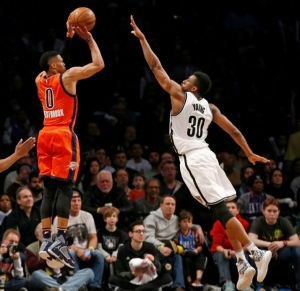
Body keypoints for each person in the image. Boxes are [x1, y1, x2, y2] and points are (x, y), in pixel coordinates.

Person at [130, 15, 272, 290]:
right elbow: (235, 132)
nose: (183, 80)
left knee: (219, 209)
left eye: (188, 79)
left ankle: (254, 252)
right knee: (216, 210)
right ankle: (243, 261)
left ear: (193, 88)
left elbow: (156, 67)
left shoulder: (179, 97)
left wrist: (144, 39)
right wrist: (249, 153)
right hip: (208, 156)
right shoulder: (211, 108)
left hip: (193, 159)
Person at [36, 17, 105, 269]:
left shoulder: (39, 79)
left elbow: (55, 59)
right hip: (64, 134)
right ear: (56, 65)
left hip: (45, 134)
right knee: (65, 188)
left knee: (48, 190)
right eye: (62, 62)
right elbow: (99, 64)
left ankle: (46, 240)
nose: (66, 62)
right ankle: (60, 241)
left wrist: (68, 37)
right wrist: (88, 38)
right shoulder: (70, 76)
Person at [143, 195, 204, 291]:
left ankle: (178, 286)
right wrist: (160, 247)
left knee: (178, 257)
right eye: (167, 204)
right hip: (154, 247)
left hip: (171, 247)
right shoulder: (151, 218)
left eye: (173, 204)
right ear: (161, 205)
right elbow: (148, 237)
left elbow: (187, 224)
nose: (170, 206)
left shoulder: (176, 219)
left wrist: (198, 228)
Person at [53, 189, 105, 291]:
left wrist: (89, 250)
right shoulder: (59, 219)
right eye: (73, 201)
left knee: (99, 255)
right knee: (71, 252)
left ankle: (95, 286)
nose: (77, 203)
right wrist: (77, 250)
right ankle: (79, 284)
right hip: (69, 251)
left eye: (79, 200)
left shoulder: (87, 216)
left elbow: (93, 237)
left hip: (86, 251)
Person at [248, 198, 300, 290]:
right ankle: (259, 286)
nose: (272, 214)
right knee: (253, 252)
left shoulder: (284, 221)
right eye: (269, 211)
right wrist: (270, 245)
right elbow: (251, 240)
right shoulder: (258, 221)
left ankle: (298, 283)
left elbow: (297, 242)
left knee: (297, 250)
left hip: (282, 251)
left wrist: (282, 243)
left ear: (279, 212)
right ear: (263, 211)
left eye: (275, 211)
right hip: (264, 251)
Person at [26, 223, 94, 291]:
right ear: (37, 236)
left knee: (89, 272)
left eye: (50, 231)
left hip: (65, 279)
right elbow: (32, 267)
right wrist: (48, 256)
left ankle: (61, 289)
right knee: (36, 274)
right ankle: (68, 288)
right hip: (46, 278)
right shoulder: (31, 248)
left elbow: (71, 265)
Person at [108, 220, 173, 291]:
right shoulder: (123, 249)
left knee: (167, 277)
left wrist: (153, 261)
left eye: (143, 231)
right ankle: (142, 289)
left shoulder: (150, 247)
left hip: (149, 281)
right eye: (138, 231)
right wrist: (133, 274)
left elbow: (159, 269)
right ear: (130, 234)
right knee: (112, 279)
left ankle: (139, 289)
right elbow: (119, 272)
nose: (141, 234)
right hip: (131, 281)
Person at [210, 200, 251, 291]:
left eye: (233, 207)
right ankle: (227, 283)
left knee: (244, 255)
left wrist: (237, 251)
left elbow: (247, 244)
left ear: (238, 210)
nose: (230, 210)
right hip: (223, 251)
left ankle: (245, 283)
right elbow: (216, 245)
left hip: (240, 250)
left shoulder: (245, 224)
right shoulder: (218, 224)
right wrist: (224, 251)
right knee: (220, 255)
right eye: (228, 208)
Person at [97, 207, 129, 288]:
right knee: (104, 265)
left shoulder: (120, 233)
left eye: (114, 216)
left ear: (117, 219)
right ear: (105, 219)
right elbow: (99, 247)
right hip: (104, 255)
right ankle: (102, 285)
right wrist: (106, 256)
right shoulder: (100, 232)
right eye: (109, 216)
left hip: (116, 255)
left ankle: (118, 285)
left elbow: (120, 246)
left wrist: (114, 255)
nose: (111, 218)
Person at [174, 210, 206, 289]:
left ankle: (198, 280)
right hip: (185, 254)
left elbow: (200, 246)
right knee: (186, 260)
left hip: (194, 253)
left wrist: (197, 250)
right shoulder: (177, 234)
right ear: (179, 222)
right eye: (184, 221)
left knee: (201, 257)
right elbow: (175, 245)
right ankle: (189, 282)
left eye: (189, 221)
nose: (187, 224)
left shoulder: (194, 233)